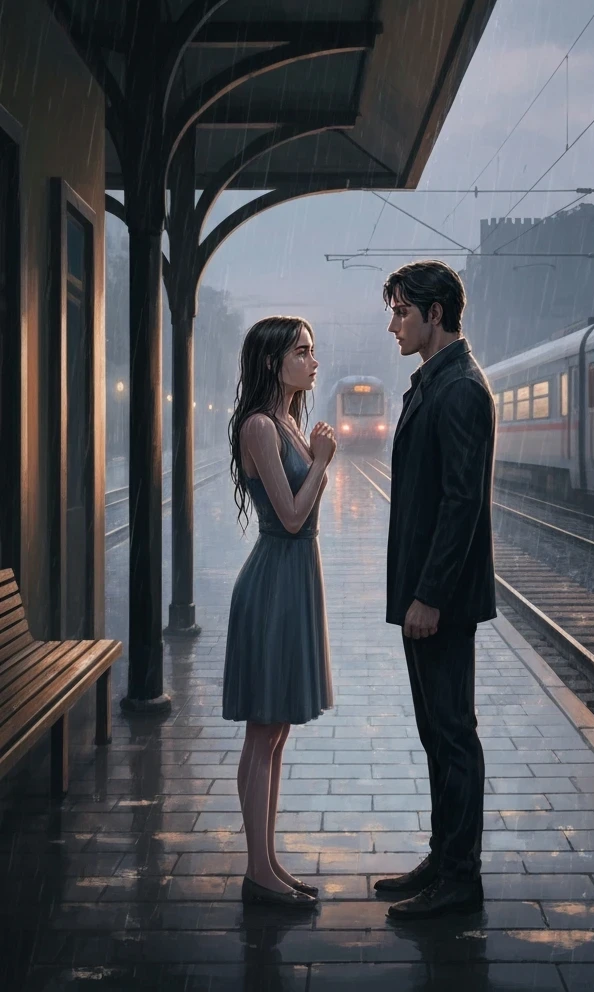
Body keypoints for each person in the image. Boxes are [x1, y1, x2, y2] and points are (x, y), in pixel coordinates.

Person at [375, 260, 496, 920]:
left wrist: (429, 595)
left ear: (436, 314)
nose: (393, 323)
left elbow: (460, 505)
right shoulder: (436, 384)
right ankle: (443, 858)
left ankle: (461, 878)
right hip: (425, 595)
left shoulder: (461, 391)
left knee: (452, 734)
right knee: (437, 732)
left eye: (401, 311)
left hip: (439, 601)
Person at [222, 316, 337, 909]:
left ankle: (266, 862)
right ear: (273, 361)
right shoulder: (262, 426)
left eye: (313, 351)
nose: (313, 361)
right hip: (273, 582)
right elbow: (292, 516)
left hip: (293, 580)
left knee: (276, 732)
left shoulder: (287, 421)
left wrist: (314, 451)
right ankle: (258, 871)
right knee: (263, 730)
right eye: (302, 351)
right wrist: (322, 460)